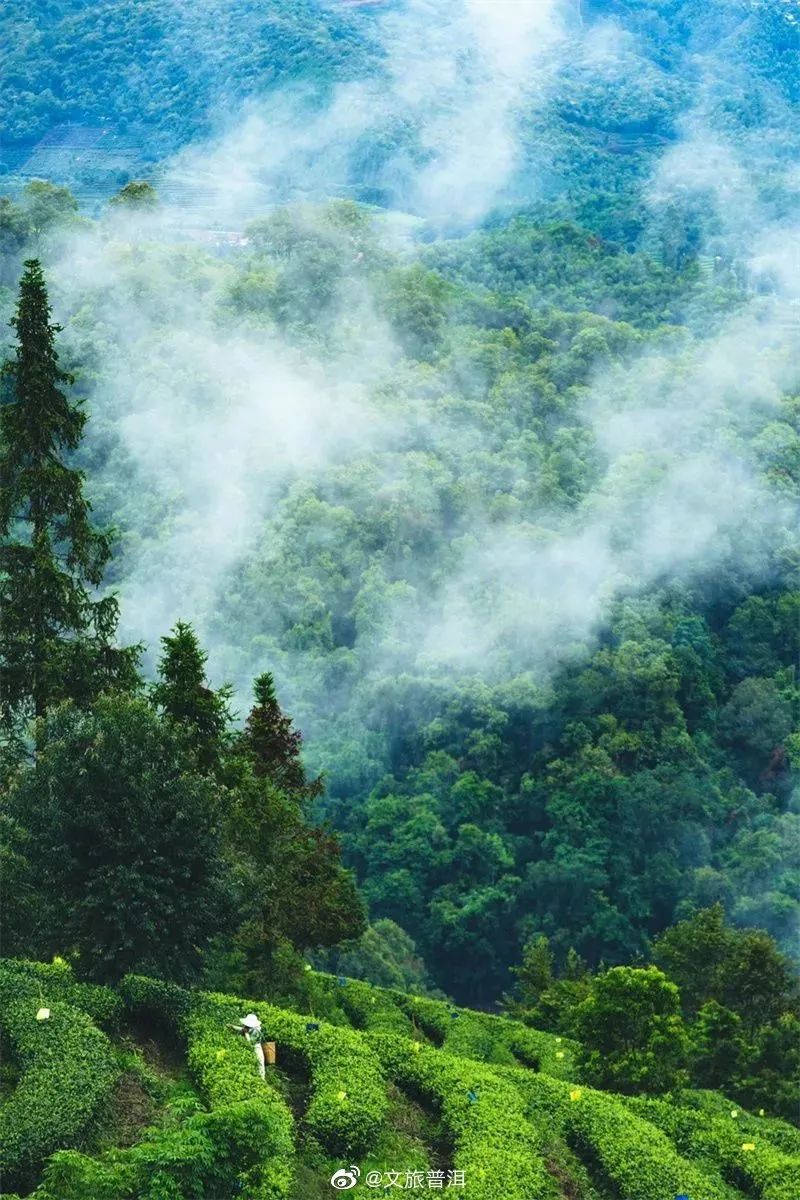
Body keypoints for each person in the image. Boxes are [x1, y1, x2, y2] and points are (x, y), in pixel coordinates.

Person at [231, 1012, 266, 1078]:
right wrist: (232, 1027)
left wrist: (246, 1033)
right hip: (251, 1047)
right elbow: (242, 1029)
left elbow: (249, 1042)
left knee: (260, 1061)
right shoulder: (249, 1028)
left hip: (256, 1047)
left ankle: (262, 1078)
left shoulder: (256, 1030)